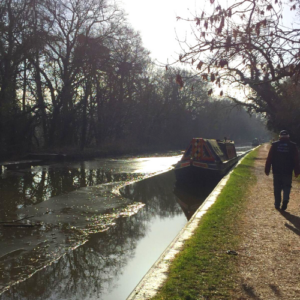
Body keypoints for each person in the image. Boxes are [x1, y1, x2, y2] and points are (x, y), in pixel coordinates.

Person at [265, 130, 300, 211]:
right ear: (288, 137)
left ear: (279, 137)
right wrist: (297, 171)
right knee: (287, 186)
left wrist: (267, 169)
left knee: (277, 187)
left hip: (276, 171)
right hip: (288, 171)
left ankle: (277, 204)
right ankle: (285, 199)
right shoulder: (293, 146)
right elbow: (296, 160)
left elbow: (269, 158)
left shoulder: (274, 145)